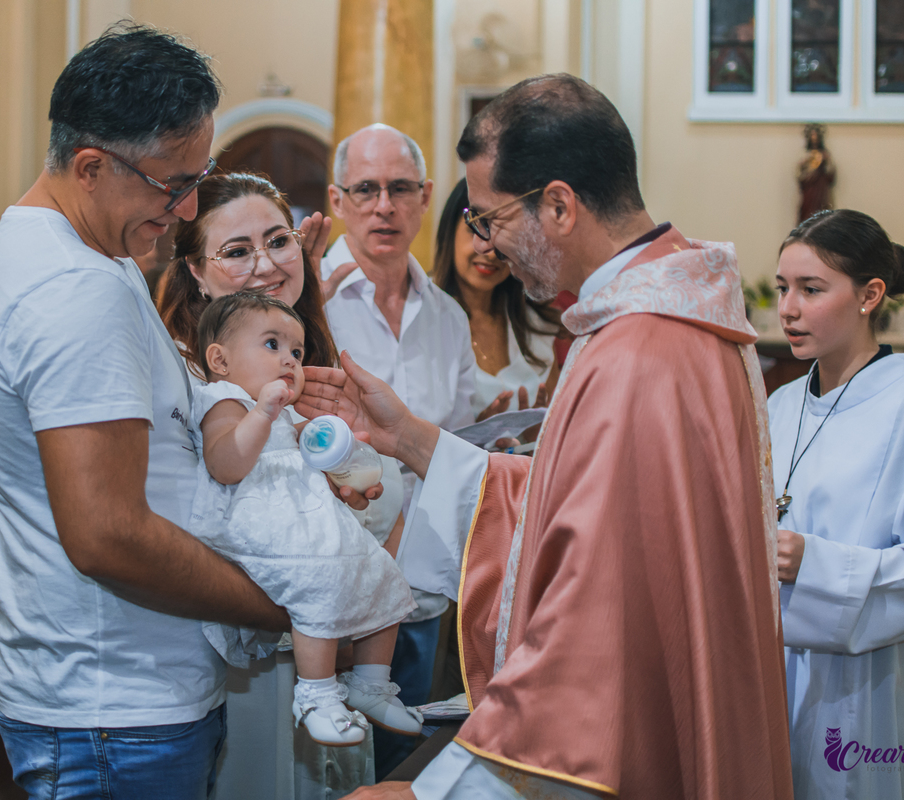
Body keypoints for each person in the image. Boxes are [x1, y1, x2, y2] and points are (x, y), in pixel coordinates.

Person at [304, 74, 794, 799]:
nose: (489, 245)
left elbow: (586, 633)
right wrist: (408, 436)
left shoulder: (639, 356)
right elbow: (572, 510)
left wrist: (434, 793)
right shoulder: (674, 320)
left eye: (491, 219)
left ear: (559, 205)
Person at [0, 25, 298, 798]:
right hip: (112, 715)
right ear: (90, 166)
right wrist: (286, 609)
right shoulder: (73, 289)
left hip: (112, 703)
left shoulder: (78, 254)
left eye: (198, 178)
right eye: (171, 184)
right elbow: (107, 534)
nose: (184, 210)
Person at [770, 209, 904, 800]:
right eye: (782, 289)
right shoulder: (778, 406)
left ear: (870, 294)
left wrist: (815, 564)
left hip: (863, 688)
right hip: (768, 671)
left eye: (811, 289)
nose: (788, 309)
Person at [190, 291, 420, 746]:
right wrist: (263, 413)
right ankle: (315, 693)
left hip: (304, 517)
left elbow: (298, 452)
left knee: (383, 575)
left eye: (296, 351)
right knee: (319, 579)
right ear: (220, 359)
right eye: (272, 345)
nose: (289, 361)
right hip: (252, 517)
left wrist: (325, 443)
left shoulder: (279, 410)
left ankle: (370, 683)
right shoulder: (225, 400)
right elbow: (226, 464)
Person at [321, 122, 476, 776]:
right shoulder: (306, 306)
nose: (383, 205)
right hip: (328, 595)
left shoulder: (447, 317)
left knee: (402, 769)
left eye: (400, 188)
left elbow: (457, 446)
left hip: (421, 588)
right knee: (324, 773)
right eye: (365, 189)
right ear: (336, 200)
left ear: (425, 196)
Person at [432, 178, 561, 420]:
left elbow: (556, 430)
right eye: (479, 227)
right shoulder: (421, 318)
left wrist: (534, 432)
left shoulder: (536, 325)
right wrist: (473, 434)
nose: (490, 251)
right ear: (450, 230)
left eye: (504, 232)